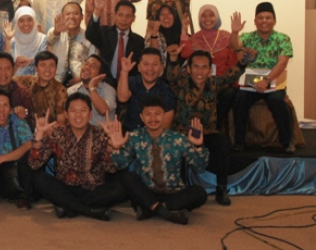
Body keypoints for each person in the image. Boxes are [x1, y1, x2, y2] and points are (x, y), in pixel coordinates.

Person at [105, 96, 208, 225]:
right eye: (148, 114)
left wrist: (198, 146)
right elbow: (121, 165)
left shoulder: (178, 138)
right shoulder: (134, 137)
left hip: (173, 193)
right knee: (127, 177)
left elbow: (199, 168)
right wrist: (116, 148)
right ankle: (165, 212)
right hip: (146, 192)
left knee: (200, 193)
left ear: (164, 116)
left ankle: (151, 209)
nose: (153, 119)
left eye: (157, 114)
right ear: (142, 117)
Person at [166, 47, 249, 206]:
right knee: (176, 146)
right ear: (189, 69)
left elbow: (230, 76)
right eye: (196, 66)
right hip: (183, 133)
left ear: (210, 70)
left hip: (207, 133)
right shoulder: (181, 83)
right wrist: (173, 59)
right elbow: (171, 76)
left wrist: (243, 62)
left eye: (204, 67)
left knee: (222, 142)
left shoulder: (213, 83)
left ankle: (221, 189)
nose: (200, 71)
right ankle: (180, 191)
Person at [29, 93, 127, 220]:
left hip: (93, 189)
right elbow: (34, 165)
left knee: (121, 188)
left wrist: (113, 147)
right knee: (38, 179)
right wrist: (39, 136)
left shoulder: (100, 134)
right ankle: (89, 210)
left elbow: (111, 169)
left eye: (83, 111)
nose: (78, 115)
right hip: (65, 187)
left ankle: (68, 206)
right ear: (66, 114)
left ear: (90, 114)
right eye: (73, 111)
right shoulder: (57, 134)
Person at [231, 3, 294, 153]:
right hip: (251, 82)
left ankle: (287, 142)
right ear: (255, 21)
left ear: (274, 21)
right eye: (260, 18)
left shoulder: (283, 38)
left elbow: (282, 63)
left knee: (277, 100)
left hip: (274, 80)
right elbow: (234, 46)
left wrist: (266, 80)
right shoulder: (248, 37)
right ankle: (239, 141)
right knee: (239, 99)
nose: (264, 21)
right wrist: (234, 32)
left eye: (268, 17)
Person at [180, 4, 240, 130]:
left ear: (217, 17)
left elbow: (232, 60)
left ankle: (215, 128)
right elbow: (185, 53)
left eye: (211, 15)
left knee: (229, 93)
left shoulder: (226, 36)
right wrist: (184, 30)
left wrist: (235, 32)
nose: (207, 19)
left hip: (221, 82)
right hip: (201, 81)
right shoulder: (196, 38)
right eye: (204, 16)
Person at [85, 0, 144, 86]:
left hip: (129, 84)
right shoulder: (104, 33)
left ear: (133, 18)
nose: (124, 19)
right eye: (120, 15)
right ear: (115, 16)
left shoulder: (139, 41)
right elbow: (90, 35)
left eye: (128, 16)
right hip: (105, 82)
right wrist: (97, 11)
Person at [117, 48, 175, 132]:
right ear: (139, 67)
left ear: (161, 68)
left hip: (153, 136)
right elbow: (122, 98)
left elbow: (166, 124)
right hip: (127, 134)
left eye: (155, 64)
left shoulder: (166, 91)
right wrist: (124, 71)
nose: (150, 68)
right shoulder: (130, 82)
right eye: (146, 64)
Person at [14, 51, 68, 129]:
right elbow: (7, 79)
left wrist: (45, 129)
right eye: (43, 65)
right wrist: (16, 66)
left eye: (51, 65)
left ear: (56, 68)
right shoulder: (30, 81)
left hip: (50, 131)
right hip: (28, 129)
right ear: (36, 68)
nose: (47, 69)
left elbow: (61, 121)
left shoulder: (60, 90)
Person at [47, 2, 97, 85]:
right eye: (68, 14)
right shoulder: (56, 32)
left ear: (82, 17)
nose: (71, 17)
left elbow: (93, 63)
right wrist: (56, 31)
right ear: (63, 17)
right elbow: (49, 39)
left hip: (80, 81)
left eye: (75, 13)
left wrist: (81, 78)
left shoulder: (88, 37)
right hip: (56, 80)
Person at [67, 55, 116, 126]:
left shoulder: (108, 90)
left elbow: (103, 110)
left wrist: (92, 87)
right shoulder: (71, 91)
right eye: (86, 64)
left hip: (103, 132)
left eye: (93, 66)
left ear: (100, 74)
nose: (87, 67)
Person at [3, 6, 47, 76]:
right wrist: (8, 39)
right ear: (17, 22)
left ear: (34, 21)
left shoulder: (42, 39)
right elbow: (7, 67)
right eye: (21, 21)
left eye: (29, 20)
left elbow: (44, 64)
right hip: (15, 80)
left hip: (37, 80)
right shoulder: (12, 40)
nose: (26, 23)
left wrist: (30, 63)